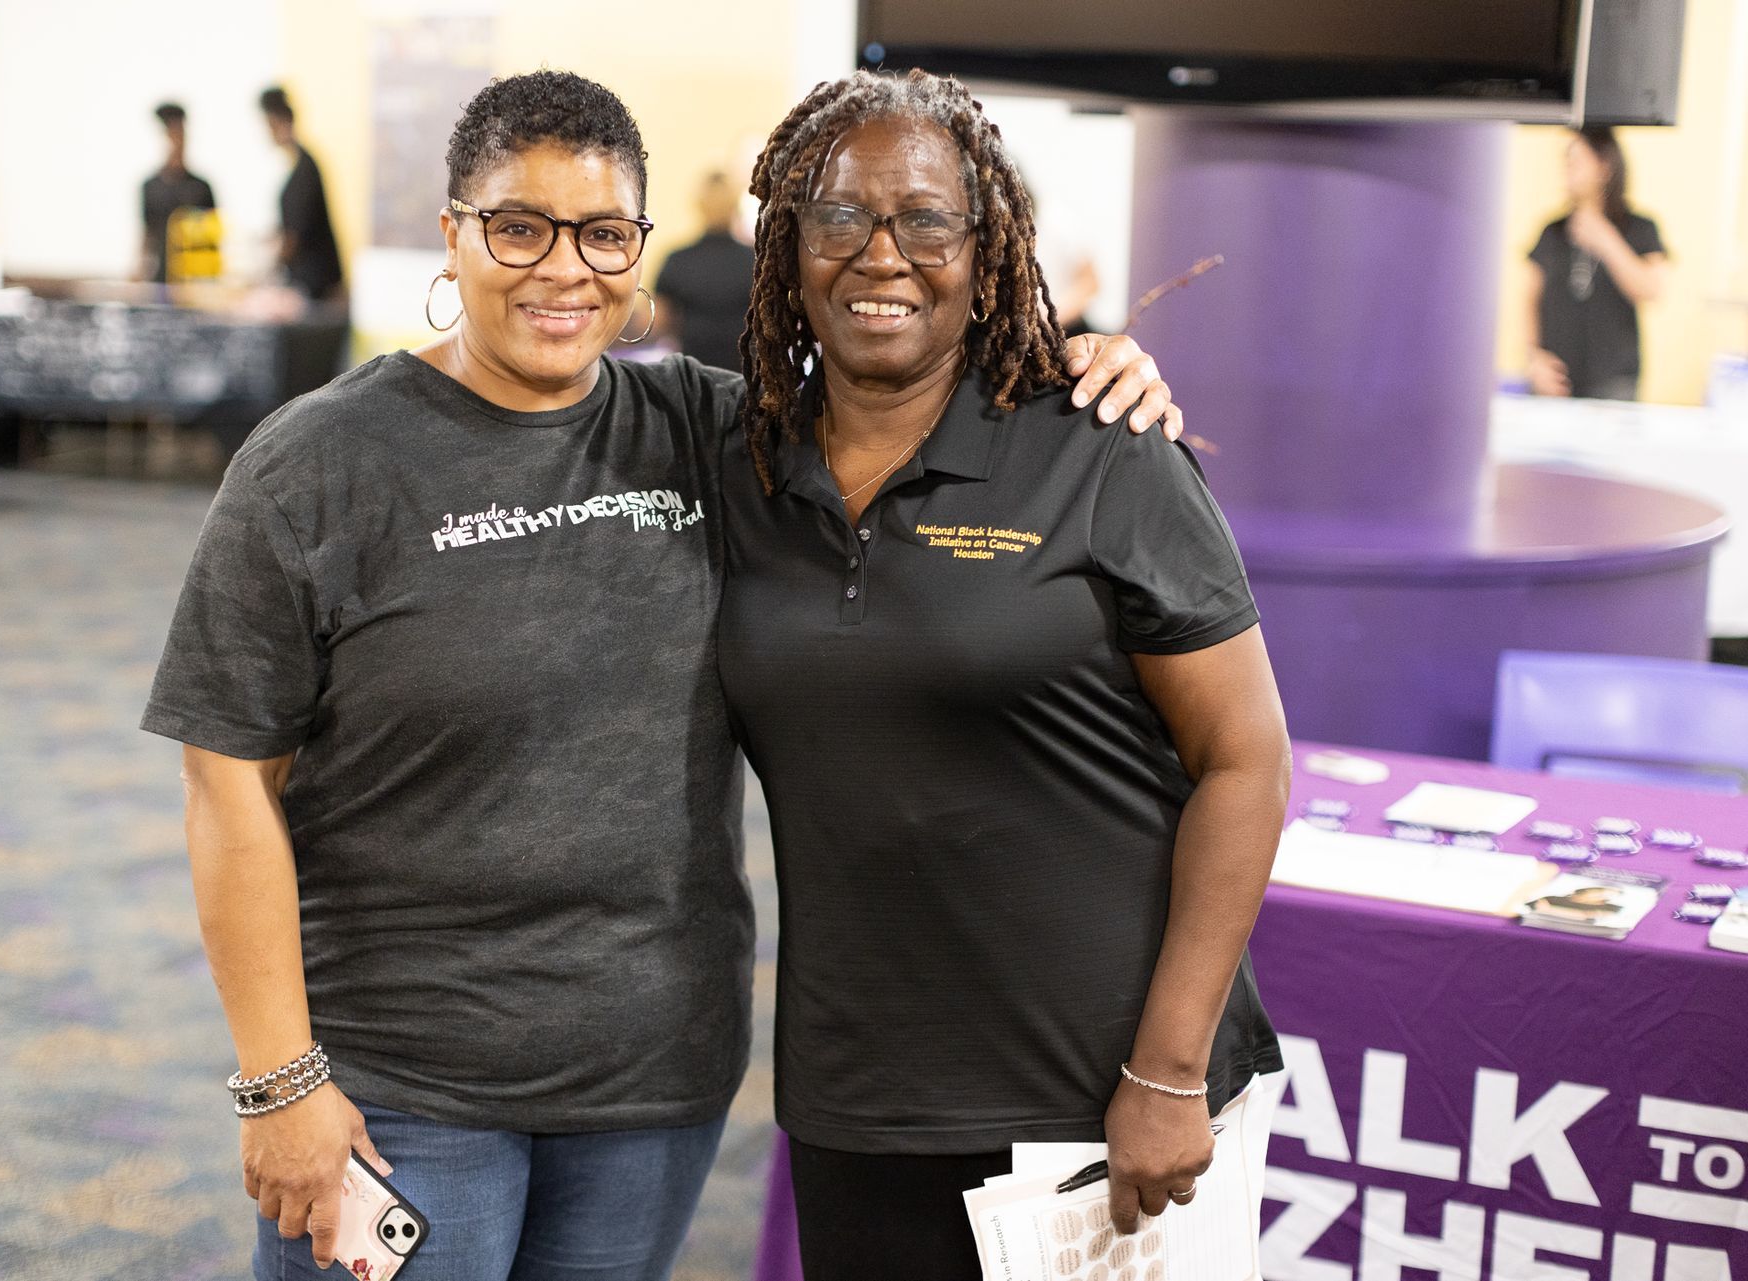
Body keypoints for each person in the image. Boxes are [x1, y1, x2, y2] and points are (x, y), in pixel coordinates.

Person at [143, 70, 1179, 1280]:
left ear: (640, 247)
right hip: (406, 1084)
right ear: (454, 236)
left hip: (653, 1087)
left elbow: (909, 388)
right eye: (518, 228)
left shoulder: (704, 429)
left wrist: (1073, 370)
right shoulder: (316, 468)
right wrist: (279, 1083)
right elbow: (227, 788)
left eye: (602, 234)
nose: (562, 270)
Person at [719, 69, 1292, 1280]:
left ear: (988, 252)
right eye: (839, 217)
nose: (883, 254)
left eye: (927, 219)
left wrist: (1168, 1071)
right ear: (789, 243)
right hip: (859, 1095)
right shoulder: (740, 458)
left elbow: (1245, 762)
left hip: (1093, 1099)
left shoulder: (1102, 448)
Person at [1526, 126, 1670, 401]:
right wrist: (1535, 358)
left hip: (1614, 384)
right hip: (1556, 381)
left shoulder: (1639, 228)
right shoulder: (1552, 230)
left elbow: (1652, 290)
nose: (1568, 168)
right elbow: (1528, 299)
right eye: (1567, 161)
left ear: (1605, 167)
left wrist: (1605, 240)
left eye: (1577, 160)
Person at [652, 171, 755, 370]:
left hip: (694, 379)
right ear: (735, 206)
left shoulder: (678, 260)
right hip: (745, 376)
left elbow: (658, 323)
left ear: (699, 205)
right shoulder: (755, 261)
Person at [259, 85, 343, 302]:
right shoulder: (300, 166)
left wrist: (264, 271)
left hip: (315, 286)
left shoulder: (304, 171)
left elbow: (294, 237)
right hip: (309, 281)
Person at [141, 102, 217, 285]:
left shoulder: (201, 187)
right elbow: (147, 235)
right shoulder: (151, 186)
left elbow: (213, 238)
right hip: (161, 278)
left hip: (196, 281)